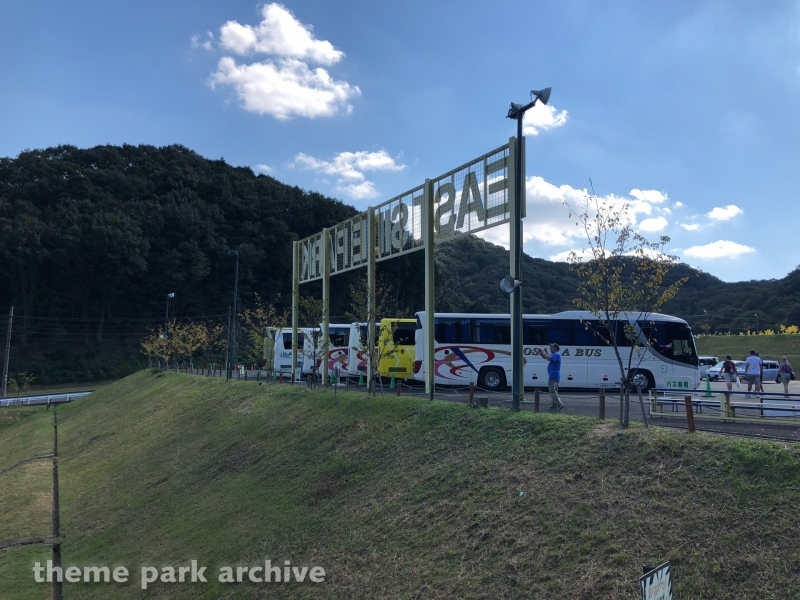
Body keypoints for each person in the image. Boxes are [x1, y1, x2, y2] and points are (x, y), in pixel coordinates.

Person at [539, 342, 564, 412]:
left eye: (552, 347)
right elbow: (546, 357)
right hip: (554, 375)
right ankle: (554, 406)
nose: (550, 348)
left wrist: (543, 351)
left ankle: (559, 403)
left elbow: (548, 358)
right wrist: (541, 353)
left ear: (556, 348)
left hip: (554, 376)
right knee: (554, 391)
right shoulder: (554, 354)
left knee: (552, 391)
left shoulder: (557, 354)